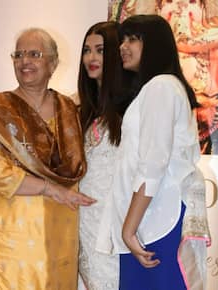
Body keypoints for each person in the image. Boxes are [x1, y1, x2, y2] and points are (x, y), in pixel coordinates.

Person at [0, 28, 96, 290]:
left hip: (58, 237)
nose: (24, 61)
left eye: (34, 54)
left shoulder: (71, 111)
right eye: (18, 55)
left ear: (53, 63)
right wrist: (48, 188)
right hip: (5, 242)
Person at [96, 15, 210, 290]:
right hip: (147, 222)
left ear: (155, 45)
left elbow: (153, 165)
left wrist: (128, 229)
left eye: (133, 39)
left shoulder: (161, 86)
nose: (123, 46)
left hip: (156, 222)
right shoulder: (155, 88)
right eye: (122, 39)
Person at [76, 21, 133, 290]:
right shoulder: (79, 109)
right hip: (80, 223)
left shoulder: (133, 107)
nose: (91, 58)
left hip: (116, 224)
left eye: (100, 50)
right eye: (87, 50)